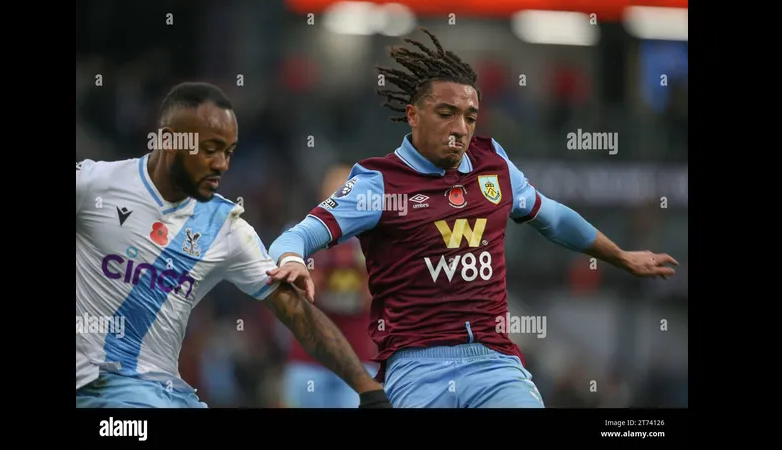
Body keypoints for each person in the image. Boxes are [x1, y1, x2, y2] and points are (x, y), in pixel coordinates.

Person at [266, 28, 678, 408]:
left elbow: (552, 217)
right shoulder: (378, 183)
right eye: (446, 113)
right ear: (413, 115)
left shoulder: (493, 165)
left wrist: (620, 255)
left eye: (470, 116)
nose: (460, 128)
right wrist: (292, 259)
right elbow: (296, 236)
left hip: (494, 362)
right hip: (415, 367)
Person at [75, 82, 391, 408]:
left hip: (166, 393)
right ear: (169, 141)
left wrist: (367, 387)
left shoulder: (225, 227)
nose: (222, 165)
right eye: (210, 149)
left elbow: (297, 312)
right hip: (100, 390)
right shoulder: (93, 185)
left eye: (228, 152)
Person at [281, 163, 378, 408]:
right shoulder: (298, 236)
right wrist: (323, 266)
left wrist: (360, 271)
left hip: (358, 358)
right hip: (308, 358)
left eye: (348, 193)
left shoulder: (376, 239)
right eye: (336, 194)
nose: (342, 201)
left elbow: (377, 297)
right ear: (322, 197)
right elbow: (288, 294)